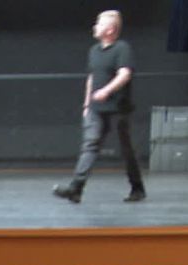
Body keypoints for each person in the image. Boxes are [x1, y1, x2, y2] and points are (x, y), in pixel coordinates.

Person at [53, 10, 146, 204]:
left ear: (110, 30)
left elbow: (124, 74)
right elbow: (92, 78)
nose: (95, 27)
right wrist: (87, 103)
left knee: (126, 149)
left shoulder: (122, 49)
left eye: (99, 24)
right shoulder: (94, 51)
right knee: (90, 145)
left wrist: (106, 91)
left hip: (118, 109)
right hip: (96, 109)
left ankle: (137, 188)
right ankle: (76, 188)